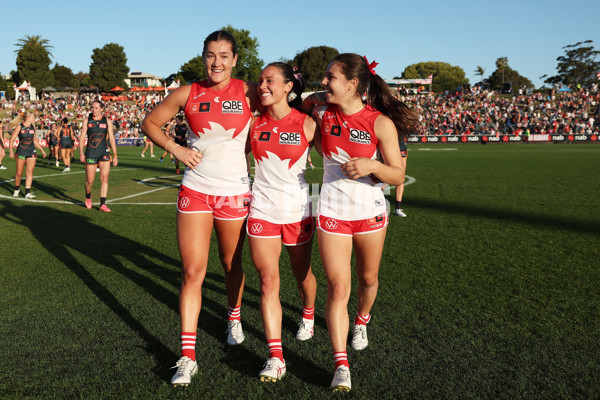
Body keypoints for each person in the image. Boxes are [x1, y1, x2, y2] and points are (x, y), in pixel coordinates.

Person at [140, 30, 262, 387]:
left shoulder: (251, 91)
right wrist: (176, 149)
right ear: (203, 57)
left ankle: (234, 317)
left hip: (235, 191)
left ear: (235, 59)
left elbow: (291, 101)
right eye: (210, 55)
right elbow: (148, 122)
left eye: (224, 55)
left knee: (229, 263)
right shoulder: (186, 92)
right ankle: (187, 356)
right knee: (192, 271)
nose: (217, 62)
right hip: (195, 190)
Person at [303, 53, 419, 392]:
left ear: (353, 84)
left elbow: (398, 173)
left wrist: (371, 166)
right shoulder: (321, 109)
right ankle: (341, 364)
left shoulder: (380, 122)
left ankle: (362, 320)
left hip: (370, 214)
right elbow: (300, 99)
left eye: (331, 77)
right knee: (339, 287)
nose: (324, 83)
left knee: (368, 279)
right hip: (332, 212)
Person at [247, 63, 318, 382]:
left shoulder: (307, 123)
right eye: (260, 81)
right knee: (267, 282)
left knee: (302, 274)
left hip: (296, 211)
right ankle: (275, 356)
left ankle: (308, 314)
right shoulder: (252, 123)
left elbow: (337, 157)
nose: (262, 85)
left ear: (289, 87)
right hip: (261, 210)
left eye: (270, 81)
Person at [78, 100, 119, 212]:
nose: (94, 110)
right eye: (93, 107)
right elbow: (82, 137)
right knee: (89, 181)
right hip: (91, 152)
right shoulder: (87, 120)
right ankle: (88, 197)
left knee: (104, 178)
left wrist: (115, 155)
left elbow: (111, 138)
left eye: (96, 108)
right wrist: (81, 153)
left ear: (102, 109)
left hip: (104, 152)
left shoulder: (107, 121)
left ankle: (102, 204)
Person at [9, 110, 47, 198]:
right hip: (21, 151)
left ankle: (27, 192)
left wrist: (41, 150)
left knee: (30, 172)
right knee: (19, 173)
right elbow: (12, 139)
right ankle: (17, 189)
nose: (35, 119)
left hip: (31, 151)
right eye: (33, 117)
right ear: (28, 118)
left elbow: (34, 140)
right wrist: (11, 150)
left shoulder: (33, 127)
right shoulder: (19, 127)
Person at [393, 137, 408, 217]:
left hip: (401, 145)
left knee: (401, 177)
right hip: (388, 144)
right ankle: (376, 204)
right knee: (383, 177)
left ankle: (397, 209)